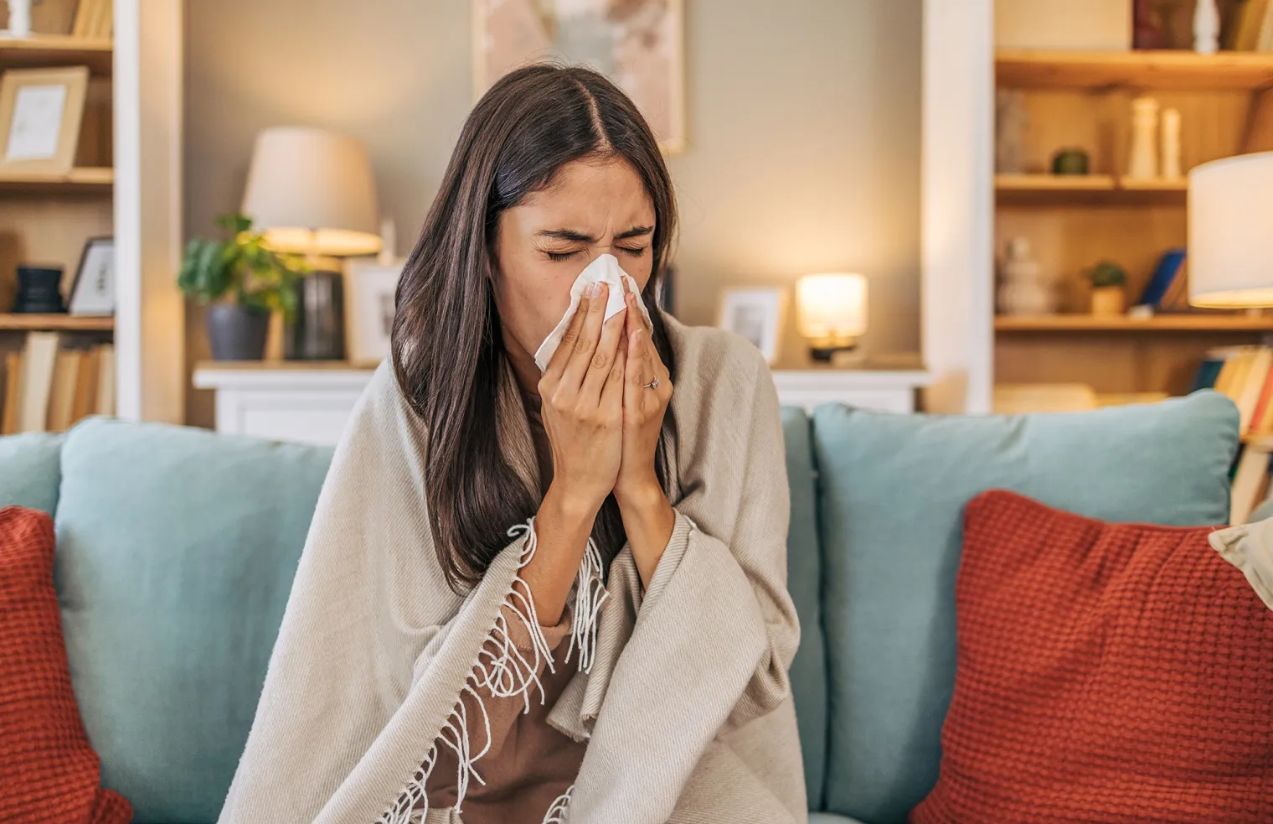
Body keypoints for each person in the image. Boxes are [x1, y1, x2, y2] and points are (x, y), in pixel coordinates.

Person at [217, 63, 805, 824]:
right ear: (484, 248)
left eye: (633, 246)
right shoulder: (417, 397)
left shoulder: (723, 381)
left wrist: (636, 485)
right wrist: (573, 494)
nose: (606, 286)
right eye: (561, 251)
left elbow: (751, 680)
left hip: (661, 799)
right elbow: (412, 726)